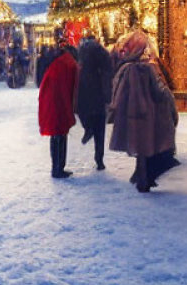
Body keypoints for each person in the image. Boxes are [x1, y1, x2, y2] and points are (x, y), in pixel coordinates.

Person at [108, 29, 180, 193]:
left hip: (131, 116)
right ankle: (144, 181)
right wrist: (169, 99)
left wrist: (116, 110)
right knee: (148, 148)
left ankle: (140, 177)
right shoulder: (147, 69)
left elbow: (116, 93)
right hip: (148, 116)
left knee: (140, 149)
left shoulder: (125, 69)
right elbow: (159, 91)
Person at [39, 29, 79, 179]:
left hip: (51, 101)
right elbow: (71, 87)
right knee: (60, 135)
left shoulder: (58, 62)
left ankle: (57, 167)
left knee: (57, 135)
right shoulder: (68, 64)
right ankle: (57, 169)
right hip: (59, 103)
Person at [76, 32, 114, 171]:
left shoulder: (82, 54)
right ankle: (99, 159)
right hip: (99, 95)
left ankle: (88, 128)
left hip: (85, 93)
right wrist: (108, 96)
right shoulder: (102, 53)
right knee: (100, 129)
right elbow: (109, 71)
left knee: (84, 113)